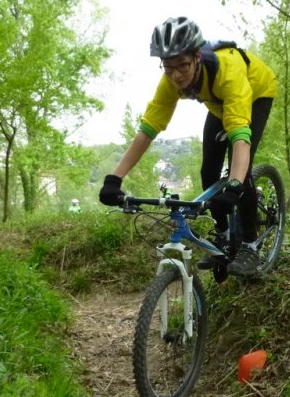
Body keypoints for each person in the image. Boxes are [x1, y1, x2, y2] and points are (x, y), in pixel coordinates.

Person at [98, 16, 277, 277]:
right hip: (219, 104)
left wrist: (235, 186)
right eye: (168, 67)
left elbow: (240, 137)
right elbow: (147, 130)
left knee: (241, 176)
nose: (176, 75)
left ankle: (250, 245)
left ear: (197, 57)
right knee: (208, 171)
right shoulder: (170, 80)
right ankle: (224, 236)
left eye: (182, 65)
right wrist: (114, 178)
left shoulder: (228, 71)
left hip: (256, 92)